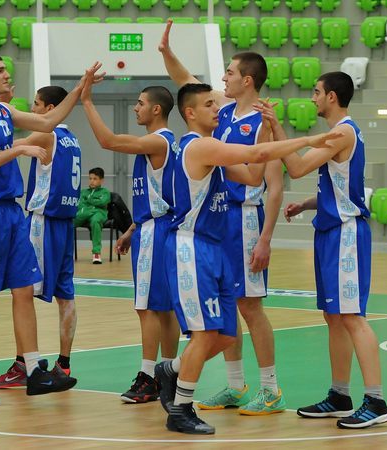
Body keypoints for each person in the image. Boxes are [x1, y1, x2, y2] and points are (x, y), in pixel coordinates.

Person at [149, 82, 340, 434]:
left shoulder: (212, 150)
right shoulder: (199, 145)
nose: (216, 109)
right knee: (205, 334)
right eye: (209, 105)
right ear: (190, 113)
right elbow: (258, 154)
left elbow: (254, 175)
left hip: (214, 247)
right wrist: (307, 140)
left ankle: (171, 369)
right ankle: (181, 408)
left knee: (223, 334)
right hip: (191, 247)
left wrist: (265, 128)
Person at [0, 53, 103, 407]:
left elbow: (49, 119)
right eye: (0, 70)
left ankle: (33, 370)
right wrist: (18, 149)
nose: (7, 74)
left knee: (23, 290)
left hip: (11, 212)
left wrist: (79, 88)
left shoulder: (4, 111)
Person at [159, 20, 286, 415]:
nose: (223, 78)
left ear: (246, 80)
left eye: (229, 72)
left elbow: (274, 185)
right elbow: (187, 83)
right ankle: (234, 385)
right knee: (227, 305)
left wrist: (265, 238)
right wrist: (166, 52)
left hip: (246, 219)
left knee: (250, 306)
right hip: (215, 219)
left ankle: (270, 389)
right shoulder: (222, 111)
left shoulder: (262, 120)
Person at [257, 72, 387, 429]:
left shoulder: (341, 132)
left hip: (346, 235)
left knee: (352, 317)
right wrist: (307, 204)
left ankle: (377, 401)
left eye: (317, 92)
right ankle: (340, 395)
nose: (313, 98)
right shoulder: (341, 134)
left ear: (332, 97)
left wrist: (276, 127)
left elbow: (297, 166)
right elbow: (343, 188)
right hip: (331, 231)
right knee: (334, 317)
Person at [80, 82, 181, 404]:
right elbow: (160, 197)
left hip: (156, 232)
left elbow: (107, 140)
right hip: (157, 226)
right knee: (164, 309)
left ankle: (148, 376)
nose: (136, 108)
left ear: (156, 109)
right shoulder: (167, 143)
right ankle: (168, 374)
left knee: (146, 307)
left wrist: (87, 102)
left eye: (140, 103)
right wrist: (131, 229)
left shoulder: (158, 140)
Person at [0, 86, 80, 389]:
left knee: (22, 291)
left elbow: (6, 147)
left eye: (37, 105)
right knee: (66, 297)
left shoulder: (46, 134)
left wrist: (0, 108)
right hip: (66, 224)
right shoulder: (72, 138)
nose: (33, 110)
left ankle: (23, 365)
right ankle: (63, 365)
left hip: (43, 221)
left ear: (50, 108)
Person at [73, 167, 110, 263]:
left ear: (101, 180)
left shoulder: (105, 192)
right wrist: (93, 204)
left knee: (95, 221)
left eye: (95, 179)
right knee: (69, 222)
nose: (92, 181)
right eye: (90, 178)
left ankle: (96, 253)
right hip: (85, 213)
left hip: (99, 213)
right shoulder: (84, 192)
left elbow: (102, 202)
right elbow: (79, 204)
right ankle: (66, 252)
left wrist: (88, 201)